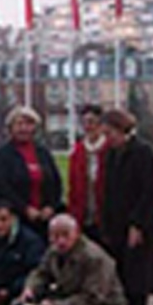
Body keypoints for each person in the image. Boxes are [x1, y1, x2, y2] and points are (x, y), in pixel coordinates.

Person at [101, 108, 153, 305]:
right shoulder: (112, 155)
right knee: (121, 277)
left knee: (137, 279)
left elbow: (148, 192)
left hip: (138, 225)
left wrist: (137, 224)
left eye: (110, 133)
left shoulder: (142, 153)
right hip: (116, 224)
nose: (108, 138)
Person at [16, 214, 125, 305]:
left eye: (65, 235)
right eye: (55, 236)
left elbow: (92, 298)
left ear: (76, 233)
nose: (61, 241)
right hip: (70, 299)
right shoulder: (54, 252)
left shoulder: (94, 258)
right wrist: (30, 289)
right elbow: (41, 273)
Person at [0, 106, 64, 240]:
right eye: (19, 124)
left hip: (45, 218)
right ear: (11, 128)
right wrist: (25, 209)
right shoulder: (3, 154)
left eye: (28, 124)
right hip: (18, 218)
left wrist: (51, 206)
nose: (23, 128)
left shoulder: (43, 152)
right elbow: (2, 187)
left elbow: (56, 182)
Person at [67, 104, 109, 243]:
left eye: (91, 122)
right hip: (83, 217)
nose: (88, 127)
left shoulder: (110, 150)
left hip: (106, 218)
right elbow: (73, 186)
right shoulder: (77, 152)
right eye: (84, 122)